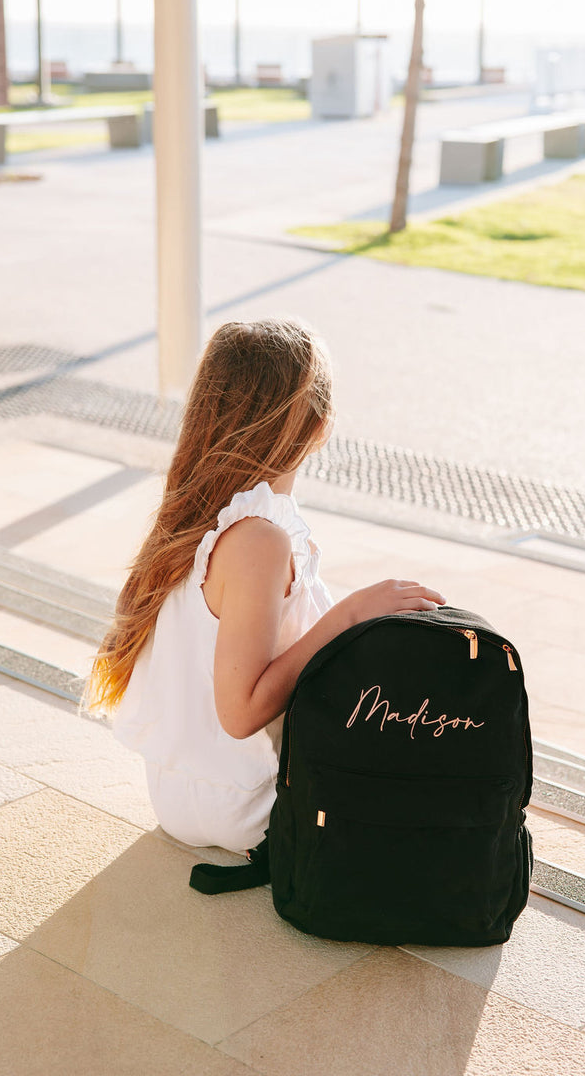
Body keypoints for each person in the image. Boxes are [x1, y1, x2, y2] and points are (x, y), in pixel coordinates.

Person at [84, 318, 445, 854]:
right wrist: (346, 617)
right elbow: (241, 713)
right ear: (321, 426)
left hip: (180, 796)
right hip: (249, 807)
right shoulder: (258, 541)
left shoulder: (199, 510)